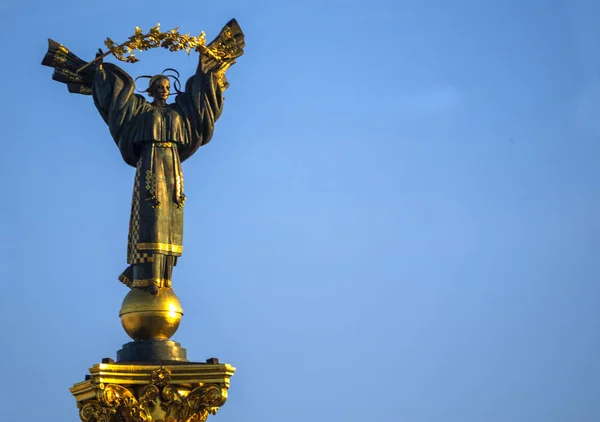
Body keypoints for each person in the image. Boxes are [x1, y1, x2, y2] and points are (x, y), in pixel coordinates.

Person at [42, 20, 245, 294]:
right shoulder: (140, 111)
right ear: (150, 91)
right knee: (150, 215)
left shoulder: (179, 113)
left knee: (170, 218)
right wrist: (101, 72)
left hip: (172, 169)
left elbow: (202, 105)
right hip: (150, 164)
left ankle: (163, 276)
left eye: (165, 86)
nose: (162, 90)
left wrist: (205, 70)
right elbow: (117, 99)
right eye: (158, 87)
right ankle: (144, 273)